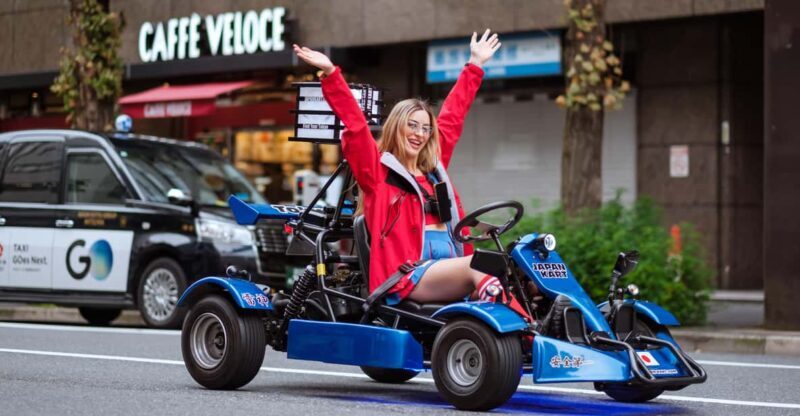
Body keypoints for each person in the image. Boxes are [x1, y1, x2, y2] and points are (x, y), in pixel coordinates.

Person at [293, 30, 530, 317]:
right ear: (397, 128)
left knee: (522, 262)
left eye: (425, 128)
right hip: (407, 275)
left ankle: (553, 324)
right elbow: (355, 126)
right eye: (412, 126)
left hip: (449, 265)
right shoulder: (377, 173)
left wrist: (475, 64)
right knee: (479, 266)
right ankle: (525, 333)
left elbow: (453, 116)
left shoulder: (433, 170)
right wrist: (331, 74)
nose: (419, 134)